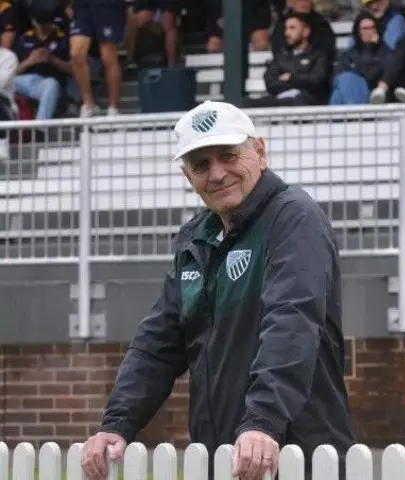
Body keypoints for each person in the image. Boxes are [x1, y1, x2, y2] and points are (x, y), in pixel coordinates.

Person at [80, 100, 357, 480]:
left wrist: (263, 421)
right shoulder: (197, 237)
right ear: (186, 175)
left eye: (228, 156)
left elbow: (292, 321)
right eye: (200, 164)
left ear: (260, 150)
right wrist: (117, 422)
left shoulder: (293, 217)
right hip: (225, 458)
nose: (217, 174)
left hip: (296, 456)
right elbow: (159, 342)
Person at [244, 12, 332, 107]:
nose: (287, 33)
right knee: (245, 103)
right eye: (286, 28)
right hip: (279, 101)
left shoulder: (318, 56)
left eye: (292, 28)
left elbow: (316, 81)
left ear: (306, 31)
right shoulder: (281, 57)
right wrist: (300, 80)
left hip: (306, 104)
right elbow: (270, 83)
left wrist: (291, 78)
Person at [69, 0, 125, 117]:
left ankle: (114, 108)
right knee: (76, 54)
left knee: (108, 56)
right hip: (82, 6)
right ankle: (89, 105)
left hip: (106, 5)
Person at [14, 7, 71, 120]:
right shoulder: (25, 38)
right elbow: (11, 71)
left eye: (48, 23)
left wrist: (52, 59)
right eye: (42, 23)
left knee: (51, 84)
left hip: (49, 82)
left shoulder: (62, 38)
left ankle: (40, 128)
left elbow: (74, 70)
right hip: (24, 81)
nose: (46, 26)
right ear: (34, 22)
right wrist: (30, 61)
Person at [330, 11, 392, 105]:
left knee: (347, 80)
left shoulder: (386, 52)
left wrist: (370, 48)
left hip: (374, 99)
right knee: (340, 89)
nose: (369, 31)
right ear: (358, 31)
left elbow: (370, 75)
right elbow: (336, 79)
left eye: (372, 27)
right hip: (350, 96)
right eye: (365, 28)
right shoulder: (348, 54)